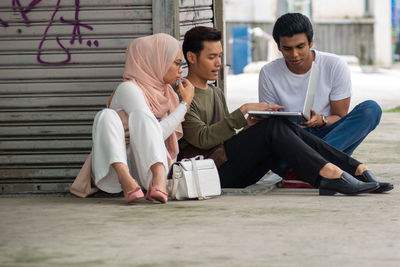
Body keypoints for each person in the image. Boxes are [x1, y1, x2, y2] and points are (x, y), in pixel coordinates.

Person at [179, 25, 391, 195]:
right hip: (211, 173)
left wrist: (248, 128)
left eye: (220, 56)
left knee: (275, 125)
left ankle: (354, 169)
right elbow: (203, 139)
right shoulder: (182, 94)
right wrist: (242, 111)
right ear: (191, 57)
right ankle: (332, 173)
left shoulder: (215, 92)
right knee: (273, 125)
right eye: (211, 57)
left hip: (232, 165)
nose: (218, 63)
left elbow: (222, 137)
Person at [257, 13, 393, 192]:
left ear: (311, 42)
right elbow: (270, 125)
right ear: (279, 47)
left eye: (300, 47)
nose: (294, 54)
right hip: (291, 144)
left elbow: (340, 116)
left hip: (328, 139)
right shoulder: (268, 72)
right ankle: (336, 171)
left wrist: (321, 120)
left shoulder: (334, 65)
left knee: (371, 109)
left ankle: (305, 173)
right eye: (287, 49)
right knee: (273, 140)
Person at [71, 33, 194, 204]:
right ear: (156, 60)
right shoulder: (129, 89)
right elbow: (155, 132)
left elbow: (152, 135)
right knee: (106, 116)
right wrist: (185, 104)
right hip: (113, 171)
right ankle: (129, 180)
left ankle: (157, 180)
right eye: (176, 63)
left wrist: (182, 102)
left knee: (141, 116)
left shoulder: (167, 93)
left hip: (145, 167)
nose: (181, 70)